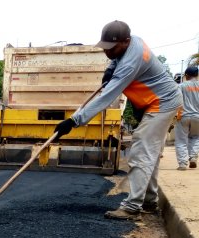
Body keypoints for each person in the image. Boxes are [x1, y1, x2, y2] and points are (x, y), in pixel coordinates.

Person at [54, 20, 182, 221]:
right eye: (105, 48)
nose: (107, 52)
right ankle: (149, 202)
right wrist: (110, 68)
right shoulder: (132, 44)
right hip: (153, 102)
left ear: (126, 41)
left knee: (141, 151)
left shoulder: (132, 61)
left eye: (111, 48)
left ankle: (132, 207)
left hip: (161, 103)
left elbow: (107, 97)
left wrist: (73, 121)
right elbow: (117, 60)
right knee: (150, 154)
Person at [174, 65, 199, 170]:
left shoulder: (180, 86)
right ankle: (193, 157)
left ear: (187, 75)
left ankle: (182, 164)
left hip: (183, 116)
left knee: (181, 140)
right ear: (197, 75)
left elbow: (176, 101)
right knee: (196, 137)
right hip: (197, 116)